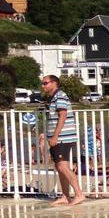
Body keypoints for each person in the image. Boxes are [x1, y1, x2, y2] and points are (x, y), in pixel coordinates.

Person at [40, 75, 85, 206]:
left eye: (45, 83)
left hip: (63, 138)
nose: (43, 86)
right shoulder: (54, 97)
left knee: (62, 166)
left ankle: (79, 194)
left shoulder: (60, 96)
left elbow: (63, 116)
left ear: (54, 83)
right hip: (59, 138)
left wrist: (55, 136)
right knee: (59, 167)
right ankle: (65, 196)